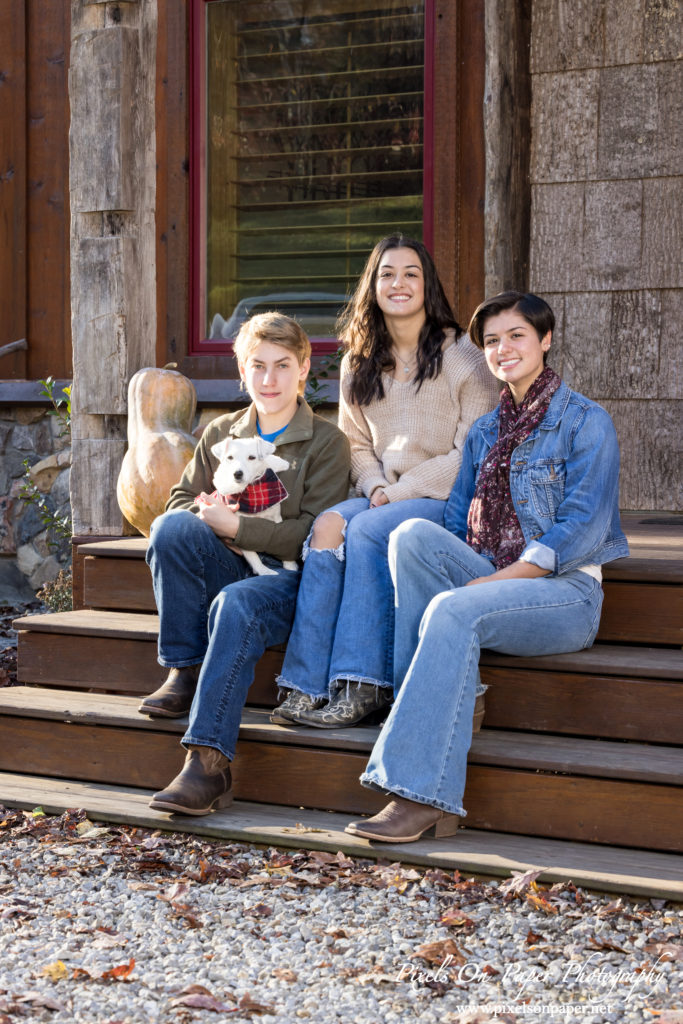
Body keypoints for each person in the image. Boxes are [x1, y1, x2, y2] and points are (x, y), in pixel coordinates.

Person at [344, 290, 630, 842]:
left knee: (454, 610)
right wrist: (475, 578)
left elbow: (579, 531)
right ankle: (453, 690)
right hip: (491, 578)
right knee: (410, 536)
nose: (502, 349)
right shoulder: (484, 432)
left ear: (545, 340)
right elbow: (453, 524)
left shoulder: (586, 422)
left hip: (565, 592)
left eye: (516, 336)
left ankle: (419, 792)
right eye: (492, 341)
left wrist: (487, 584)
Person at [272, 234, 499, 729]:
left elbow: (470, 455)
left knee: (371, 531)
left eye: (411, 274)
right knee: (330, 525)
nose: (399, 284)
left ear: (427, 285)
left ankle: (364, 683)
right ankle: (305, 684)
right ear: (372, 287)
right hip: (382, 494)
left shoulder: (465, 357)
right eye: (387, 274)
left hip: (444, 498)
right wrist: (375, 486)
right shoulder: (359, 361)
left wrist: (394, 493)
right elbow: (354, 443)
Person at [139, 312, 351, 815]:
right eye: (257, 366)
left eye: (282, 366)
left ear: (304, 369)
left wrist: (240, 529)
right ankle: (184, 668)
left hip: (286, 583)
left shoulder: (325, 443)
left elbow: (311, 535)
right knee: (171, 529)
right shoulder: (219, 433)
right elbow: (177, 502)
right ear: (242, 370)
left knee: (237, 603)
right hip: (228, 563)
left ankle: (207, 764)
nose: (269, 379)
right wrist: (210, 517)